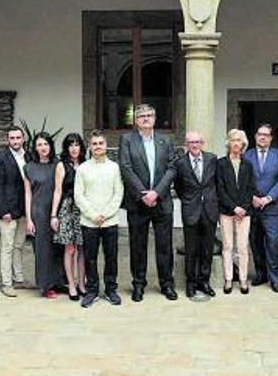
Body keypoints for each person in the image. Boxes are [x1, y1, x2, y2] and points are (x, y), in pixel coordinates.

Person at [118, 103, 178, 302]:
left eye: (149, 115)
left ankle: (167, 284)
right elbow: (126, 168)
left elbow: (171, 168)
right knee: (137, 245)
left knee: (164, 245)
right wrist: (144, 194)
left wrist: (157, 192)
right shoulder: (127, 140)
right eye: (141, 116)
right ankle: (138, 284)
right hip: (137, 202)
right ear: (136, 121)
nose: (145, 118)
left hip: (162, 201)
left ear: (154, 118)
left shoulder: (165, 141)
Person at [75, 130, 124, 308]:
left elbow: (118, 193)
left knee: (111, 257)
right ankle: (92, 290)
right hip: (89, 222)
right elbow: (79, 195)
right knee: (90, 258)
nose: (97, 147)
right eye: (94, 144)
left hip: (110, 221)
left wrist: (106, 214)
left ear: (106, 146)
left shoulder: (114, 167)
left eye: (100, 143)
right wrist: (94, 215)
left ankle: (111, 290)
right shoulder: (82, 169)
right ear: (90, 146)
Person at [243, 123, 278, 293]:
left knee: (272, 243)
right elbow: (243, 180)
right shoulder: (247, 156)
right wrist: (253, 198)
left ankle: (275, 278)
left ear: (271, 138)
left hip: (273, 208)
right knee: (255, 243)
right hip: (253, 206)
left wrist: (268, 198)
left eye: (266, 135)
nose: (262, 137)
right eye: (259, 134)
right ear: (255, 137)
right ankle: (261, 273)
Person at [172, 131, 219, 299]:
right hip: (191, 210)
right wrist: (189, 199)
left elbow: (217, 182)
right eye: (191, 142)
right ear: (186, 144)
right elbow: (178, 186)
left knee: (207, 249)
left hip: (209, 210)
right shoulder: (180, 163)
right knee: (191, 250)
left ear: (202, 143)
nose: (194, 145)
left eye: (197, 141)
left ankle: (204, 281)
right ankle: (190, 283)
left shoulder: (212, 159)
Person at [216, 129, 257, 295]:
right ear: (228, 143)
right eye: (233, 140)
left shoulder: (248, 165)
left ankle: (243, 279)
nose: (235, 143)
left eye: (239, 140)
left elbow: (250, 188)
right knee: (227, 246)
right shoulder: (220, 164)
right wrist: (233, 207)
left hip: (244, 213)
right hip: (226, 211)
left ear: (243, 144)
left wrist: (243, 208)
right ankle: (228, 279)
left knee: (242, 247)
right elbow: (220, 188)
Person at [24, 132, 65, 299]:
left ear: (50, 146)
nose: (43, 148)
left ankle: (59, 281)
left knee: (58, 247)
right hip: (38, 212)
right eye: (39, 144)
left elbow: (58, 190)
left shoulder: (57, 164)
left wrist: (54, 214)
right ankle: (45, 285)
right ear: (35, 147)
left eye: (46, 144)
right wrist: (28, 219)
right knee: (42, 250)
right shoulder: (29, 167)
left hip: (55, 210)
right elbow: (27, 194)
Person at [0, 126, 29, 297]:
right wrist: (3, 210)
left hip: (24, 209)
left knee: (19, 246)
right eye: (12, 138)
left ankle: (19, 279)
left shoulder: (28, 156)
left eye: (18, 138)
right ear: (8, 140)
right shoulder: (1, 158)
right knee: (7, 247)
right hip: (7, 211)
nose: (15, 141)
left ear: (23, 139)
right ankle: (7, 283)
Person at [56, 132, 87, 301]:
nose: (74, 148)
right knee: (70, 248)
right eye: (71, 145)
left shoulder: (86, 164)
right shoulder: (62, 165)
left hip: (83, 209)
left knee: (82, 248)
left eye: (77, 145)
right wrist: (54, 215)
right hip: (68, 208)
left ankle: (82, 283)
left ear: (81, 147)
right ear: (66, 148)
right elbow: (58, 190)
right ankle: (72, 285)